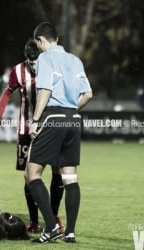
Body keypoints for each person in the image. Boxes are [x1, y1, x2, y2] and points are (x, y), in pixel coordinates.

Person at [24, 22, 93, 243]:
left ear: (40, 41)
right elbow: (88, 94)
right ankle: (70, 232)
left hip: (52, 118)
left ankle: (51, 227)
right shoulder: (75, 60)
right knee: (70, 178)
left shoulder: (45, 58)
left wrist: (35, 120)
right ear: (58, 39)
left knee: (31, 174)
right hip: (73, 119)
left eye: (39, 44)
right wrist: (70, 110)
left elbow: (45, 90)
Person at [0, 38, 65, 234]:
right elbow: (7, 94)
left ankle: (54, 216)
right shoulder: (18, 71)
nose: (33, 66)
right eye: (30, 62)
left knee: (57, 171)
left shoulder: (53, 67)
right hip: (26, 129)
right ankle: (34, 221)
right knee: (28, 176)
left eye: (36, 61)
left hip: (49, 127)